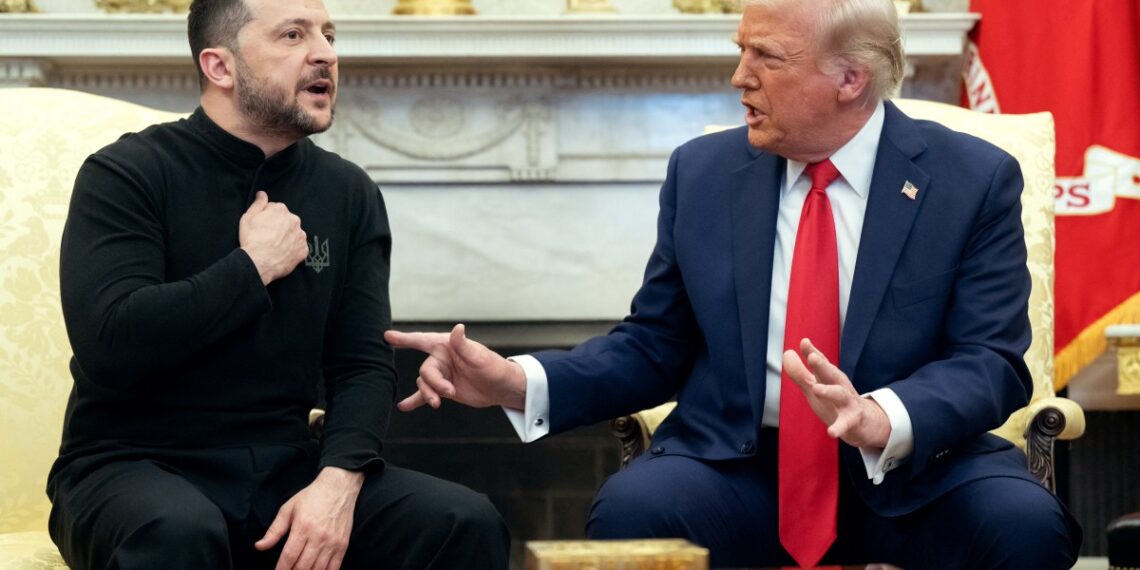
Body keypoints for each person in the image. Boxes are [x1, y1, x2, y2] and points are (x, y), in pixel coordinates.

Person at [384, 0, 1082, 567]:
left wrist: (882, 415)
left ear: (851, 79)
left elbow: (990, 362)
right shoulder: (705, 173)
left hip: (915, 466)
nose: (739, 77)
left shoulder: (972, 179)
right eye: (740, 49)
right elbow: (655, 345)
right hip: (741, 467)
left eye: (766, 57)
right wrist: (517, 381)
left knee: (1023, 526)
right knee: (634, 511)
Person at [47, 0, 510, 568]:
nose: (325, 54)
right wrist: (251, 268)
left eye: (328, 35)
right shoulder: (127, 172)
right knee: (177, 532)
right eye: (293, 35)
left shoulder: (348, 192)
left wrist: (338, 482)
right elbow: (111, 343)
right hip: (131, 465)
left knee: (461, 522)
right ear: (220, 66)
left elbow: (361, 363)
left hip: (286, 466)